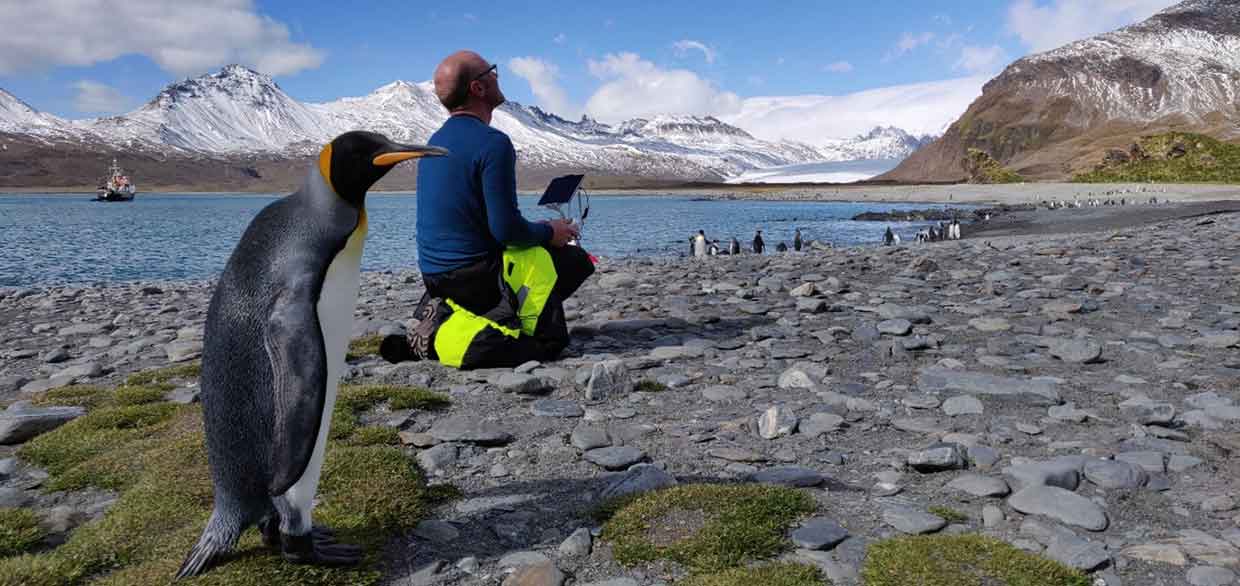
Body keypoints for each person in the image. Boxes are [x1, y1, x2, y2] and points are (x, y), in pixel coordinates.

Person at [380, 51, 594, 369]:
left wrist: (540, 230)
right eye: (492, 71)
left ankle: (456, 316)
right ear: (478, 88)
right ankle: (493, 329)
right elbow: (506, 231)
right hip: (475, 278)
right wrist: (552, 231)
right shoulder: (492, 143)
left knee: (541, 247)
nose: (497, 76)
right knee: (574, 262)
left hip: (436, 278)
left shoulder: (434, 143)